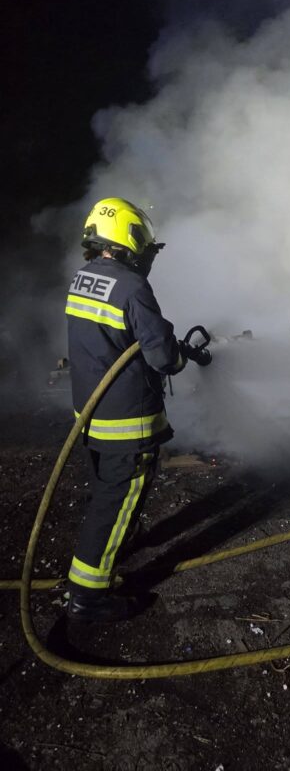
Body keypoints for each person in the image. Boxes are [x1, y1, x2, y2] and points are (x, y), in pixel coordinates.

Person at [65, 197, 190, 622]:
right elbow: (163, 358)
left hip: (91, 415)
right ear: (129, 239)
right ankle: (88, 597)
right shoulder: (132, 287)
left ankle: (120, 540)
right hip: (126, 422)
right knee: (115, 500)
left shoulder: (83, 278)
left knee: (108, 492)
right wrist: (178, 355)